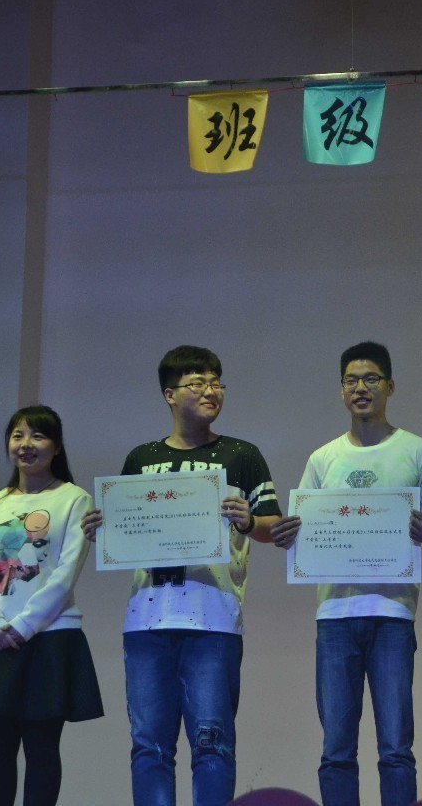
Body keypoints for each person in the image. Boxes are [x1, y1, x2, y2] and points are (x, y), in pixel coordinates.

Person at [80, 345, 296, 806]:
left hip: (214, 619)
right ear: (169, 394)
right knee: (149, 747)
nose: (210, 391)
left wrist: (248, 522)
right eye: (197, 383)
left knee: (212, 745)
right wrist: (103, 529)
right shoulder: (141, 458)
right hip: (146, 620)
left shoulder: (242, 455)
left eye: (216, 382)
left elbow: (273, 527)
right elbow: (126, 533)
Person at [270, 341, 422, 806]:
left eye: (371, 379)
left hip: (394, 613)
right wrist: (289, 535)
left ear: (390, 386)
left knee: (396, 751)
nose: (361, 388)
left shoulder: (418, 451)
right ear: (341, 391)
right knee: (336, 752)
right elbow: (305, 528)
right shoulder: (322, 458)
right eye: (351, 380)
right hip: (334, 615)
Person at [0, 405, 104, 806]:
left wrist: (25, 625)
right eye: (18, 436)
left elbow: (66, 572)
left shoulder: (74, 499)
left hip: (50, 638)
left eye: (38, 436)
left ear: (57, 447)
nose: (26, 444)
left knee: (41, 748)